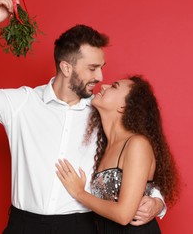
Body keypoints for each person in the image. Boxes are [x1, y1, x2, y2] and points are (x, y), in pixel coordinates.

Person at [0, 0, 166, 233]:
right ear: (66, 67)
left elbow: (135, 160)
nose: (101, 78)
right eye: (92, 68)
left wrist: (157, 202)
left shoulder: (103, 111)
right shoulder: (22, 103)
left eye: (102, 68)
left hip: (81, 226)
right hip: (23, 225)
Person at [56, 76, 180, 233]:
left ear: (123, 107)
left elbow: (123, 215)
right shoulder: (102, 144)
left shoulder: (137, 144)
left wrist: (80, 193)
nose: (103, 86)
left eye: (114, 86)